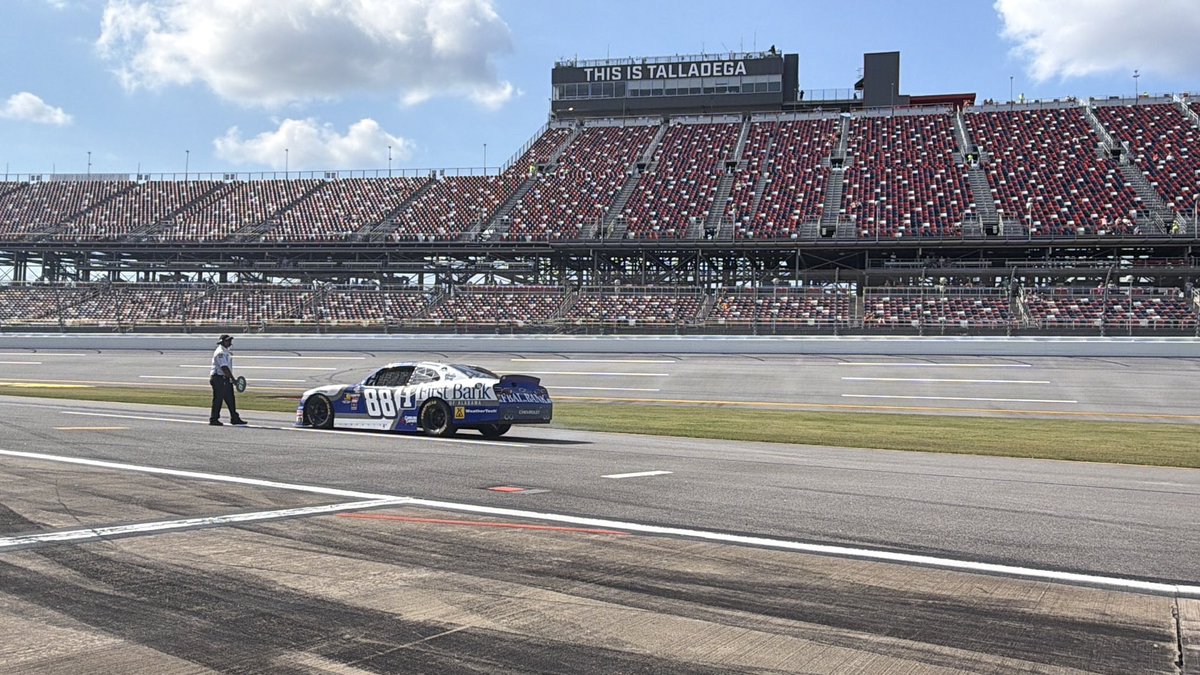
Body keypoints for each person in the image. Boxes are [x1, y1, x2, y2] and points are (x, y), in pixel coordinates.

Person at [209, 334, 246, 426]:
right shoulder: (220, 352)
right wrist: (233, 379)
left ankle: (234, 417)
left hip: (225, 378)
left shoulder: (226, 352)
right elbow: (224, 367)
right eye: (227, 341)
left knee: (230, 399)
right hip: (218, 378)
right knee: (218, 399)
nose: (229, 342)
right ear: (222, 342)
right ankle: (214, 419)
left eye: (230, 341)